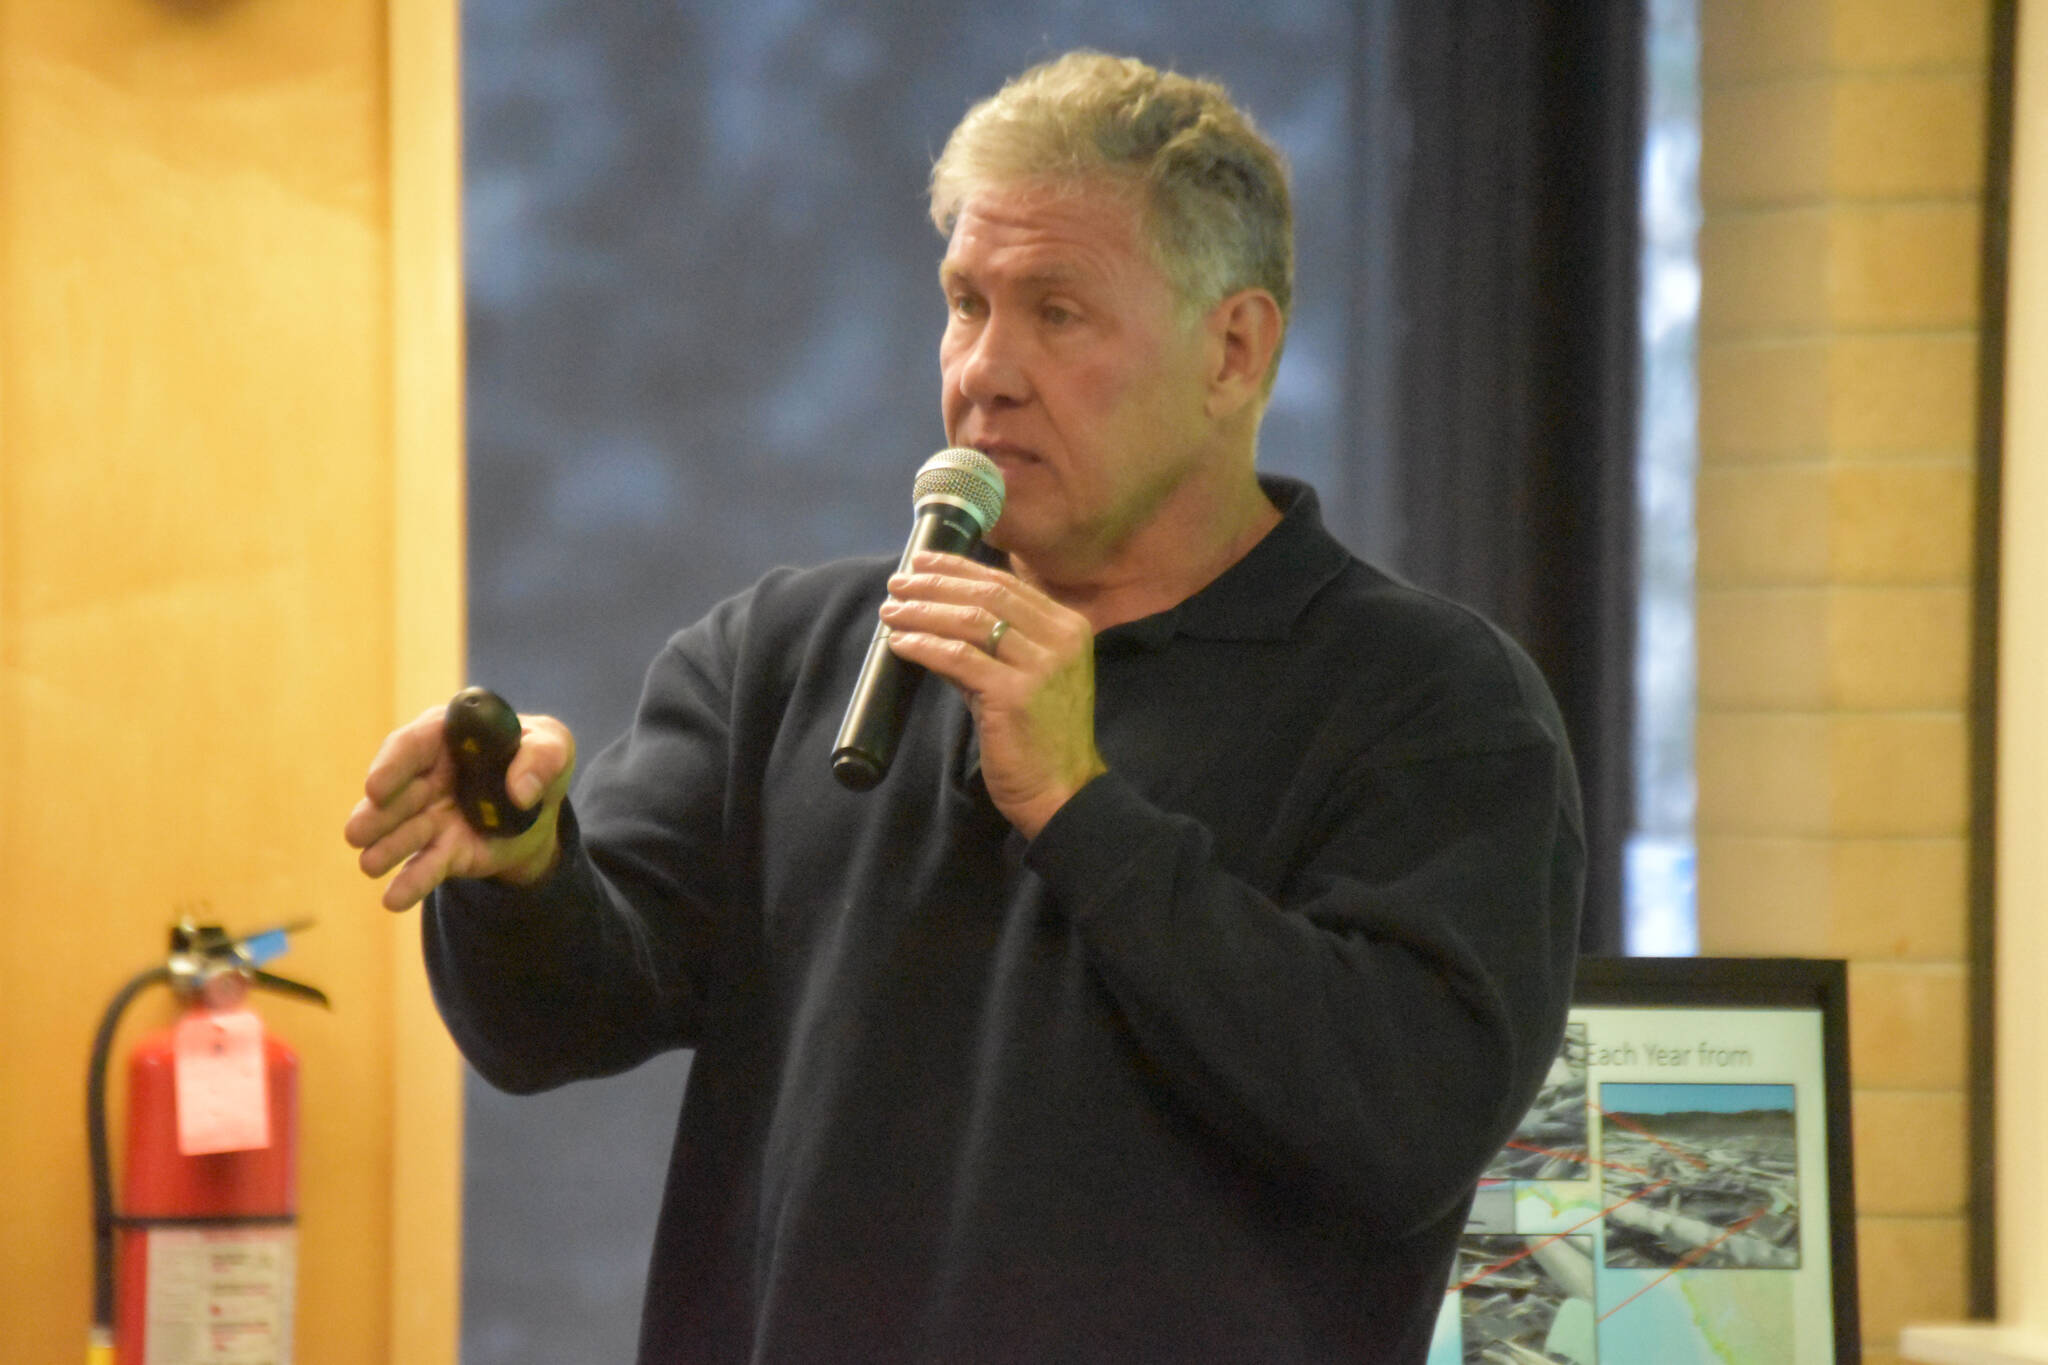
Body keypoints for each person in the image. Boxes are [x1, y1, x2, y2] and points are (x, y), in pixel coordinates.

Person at [346, 51, 1582, 1364]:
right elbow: (556, 1022)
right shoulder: (790, 657)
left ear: (1233, 349)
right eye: (964, 303)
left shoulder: (1431, 707)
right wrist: (525, 864)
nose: (986, 369)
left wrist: (1082, 807)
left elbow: (1403, 1126)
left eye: (1056, 310)